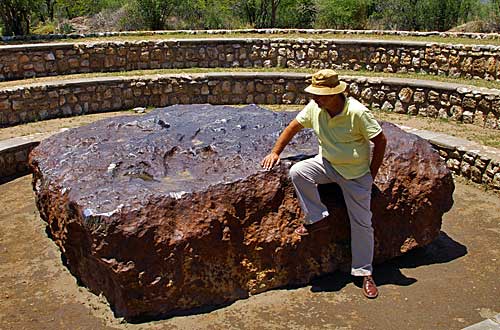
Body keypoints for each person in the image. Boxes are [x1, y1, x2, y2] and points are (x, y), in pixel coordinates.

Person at [260, 69, 387, 299]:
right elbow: (292, 127)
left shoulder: (357, 112)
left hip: (355, 174)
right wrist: (275, 152)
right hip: (327, 163)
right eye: (314, 94)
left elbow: (380, 141)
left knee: (362, 222)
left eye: (319, 95)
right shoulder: (315, 108)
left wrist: (370, 175)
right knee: (298, 171)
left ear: (334, 94)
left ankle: (364, 272)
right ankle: (317, 217)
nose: (315, 98)